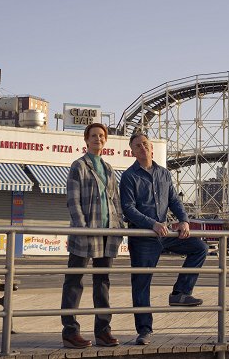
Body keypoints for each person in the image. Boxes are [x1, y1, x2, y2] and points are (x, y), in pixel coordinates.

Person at [120, 132, 208, 346]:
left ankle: (180, 292)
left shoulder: (164, 174)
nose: (142, 148)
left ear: (151, 148)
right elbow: (128, 209)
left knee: (200, 248)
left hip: (164, 233)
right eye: (137, 146)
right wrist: (152, 223)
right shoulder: (129, 176)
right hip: (143, 236)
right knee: (141, 284)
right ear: (132, 151)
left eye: (145, 144)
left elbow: (174, 200)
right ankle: (144, 330)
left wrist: (184, 220)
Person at [60, 123, 124, 349]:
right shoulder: (78, 166)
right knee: (74, 281)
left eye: (102, 136)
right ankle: (70, 332)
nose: (98, 139)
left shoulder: (108, 168)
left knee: (102, 282)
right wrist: (82, 228)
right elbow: (73, 200)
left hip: (107, 232)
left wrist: (119, 225)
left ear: (105, 140)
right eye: (94, 136)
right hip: (86, 232)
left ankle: (103, 331)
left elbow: (115, 201)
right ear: (86, 140)